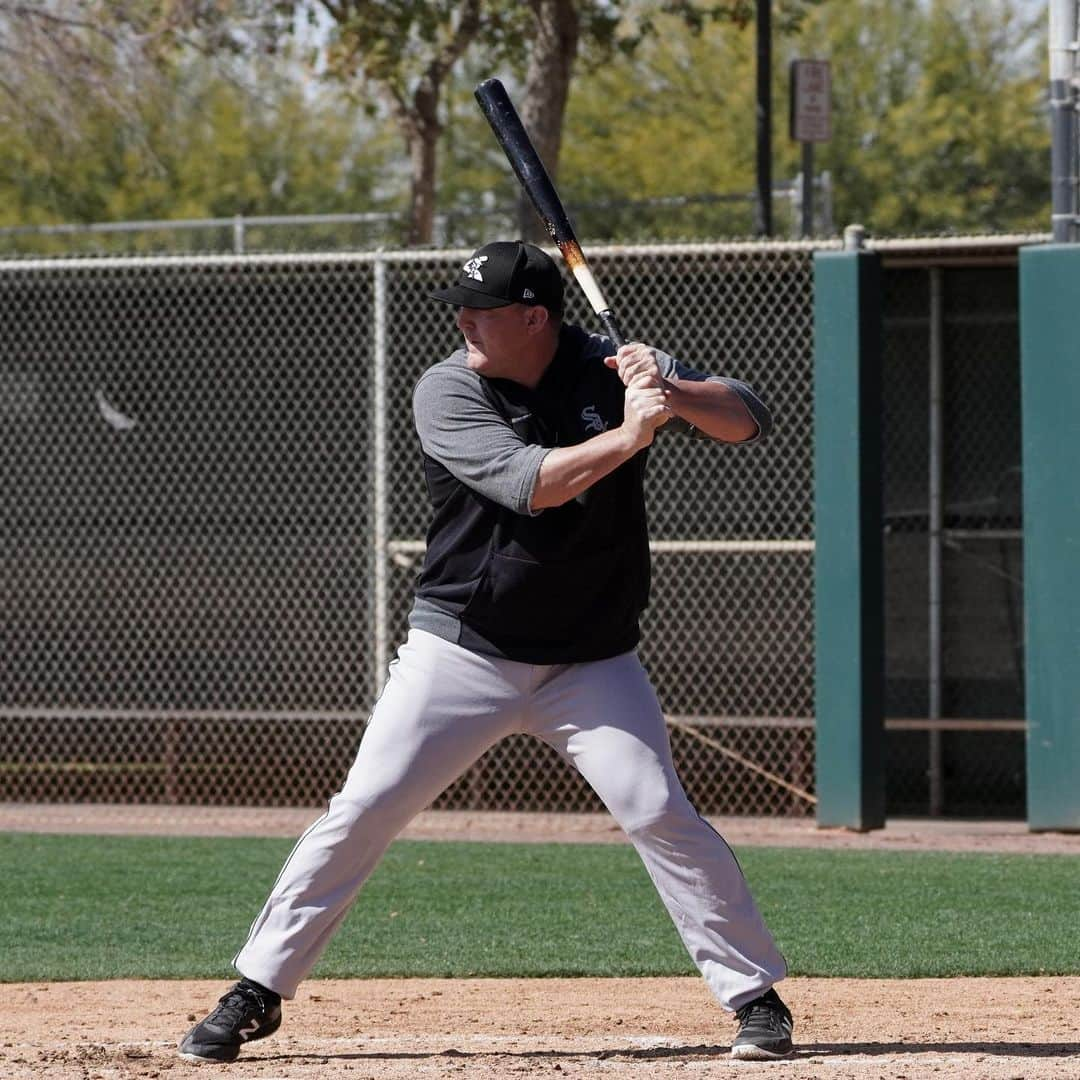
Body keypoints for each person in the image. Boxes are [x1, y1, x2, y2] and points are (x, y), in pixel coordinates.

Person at [178, 240, 793, 1064]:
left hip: (592, 659)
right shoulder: (449, 387)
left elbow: (747, 417)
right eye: (460, 308)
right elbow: (533, 484)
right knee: (365, 806)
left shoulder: (608, 364)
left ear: (535, 318)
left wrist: (669, 389)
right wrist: (632, 432)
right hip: (465, 648)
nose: (462, 321)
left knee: (658, 811)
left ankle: (756, 998)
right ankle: (256, 990)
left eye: (481, 311)